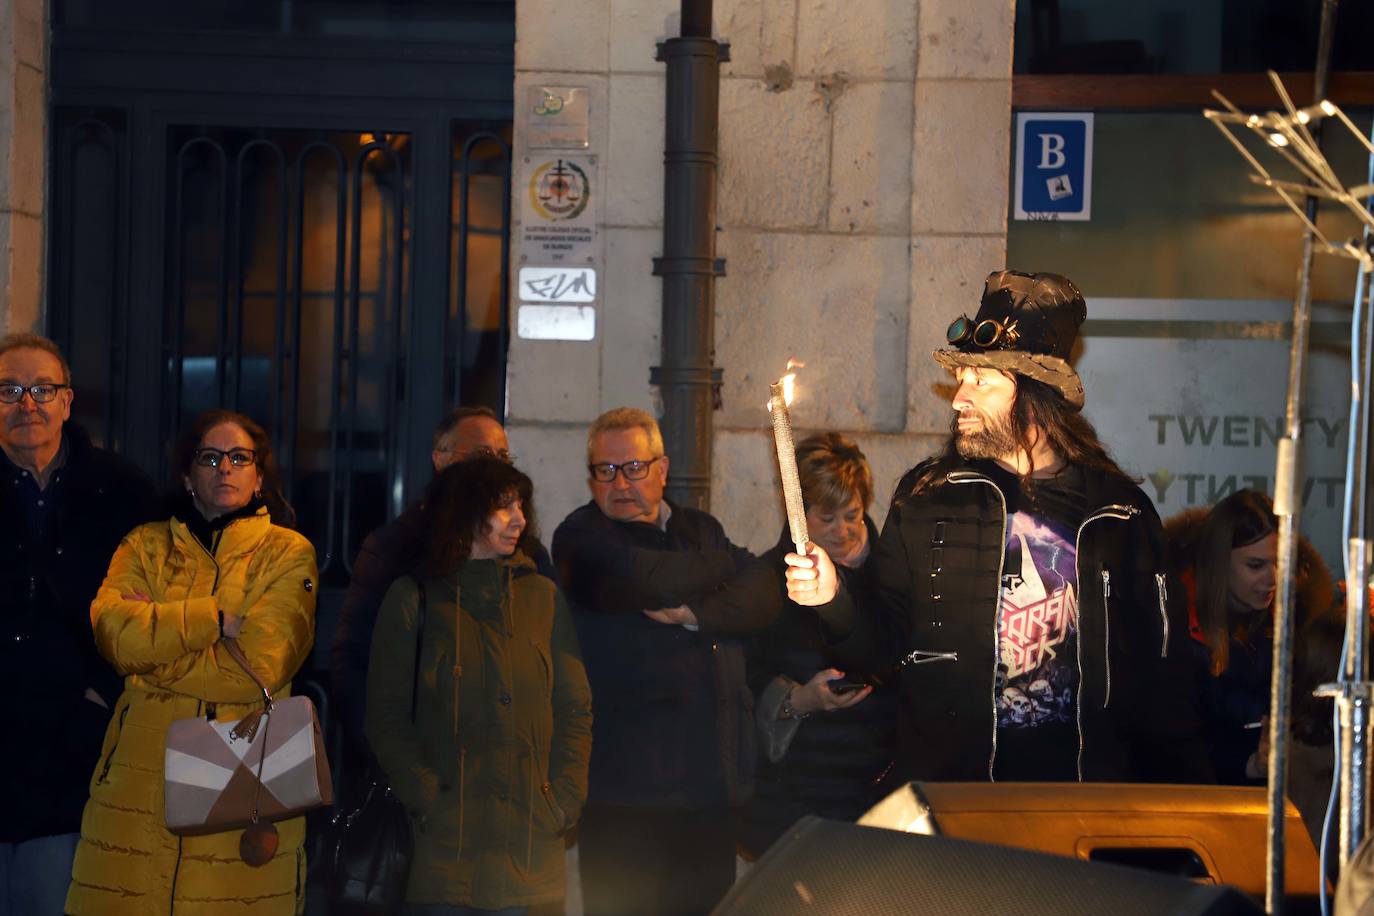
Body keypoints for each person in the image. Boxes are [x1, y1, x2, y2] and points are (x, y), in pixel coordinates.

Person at [785, 270, 1211, 784]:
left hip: (1077, 803)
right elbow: (879, 649)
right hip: (955, 798)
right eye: (961, 379)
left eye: (980, 381)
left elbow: (1163, 679)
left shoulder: (1119, 514)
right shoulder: (928, 499)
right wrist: (834, 597)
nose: (958, 398)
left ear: (1033, 394)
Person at [66, 410, 318, 915]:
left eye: (239, 457)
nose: (224, 467)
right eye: (210, 457)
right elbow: (114, 635)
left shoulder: (288, 553)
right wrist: (214, 619)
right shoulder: (144, 544)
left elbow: (262, 665)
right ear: (188, 474)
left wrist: (152, 657)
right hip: (139, 789)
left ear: (259, 476)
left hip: (243, 785)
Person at [552, 407, 782, 916]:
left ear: (662, 468)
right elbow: (648, 578)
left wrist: (697, 612)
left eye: (633, 468)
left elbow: (764, 593)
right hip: (621, 796)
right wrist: (726, 567)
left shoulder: (698, 527)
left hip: (707, 791)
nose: (620, 484)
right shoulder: (580, 539)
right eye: (605, 471)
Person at [366, 457, 591, 915]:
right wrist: (430, 798)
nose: (520, 519)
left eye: (521, 505)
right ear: (465, 513)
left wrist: (564, 799)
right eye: (503, 506)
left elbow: (574, 706)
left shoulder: (541, 597)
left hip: (531, 851)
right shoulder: (414, 598)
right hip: (447, 859)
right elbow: (385, 716)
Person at [0, 332, 159, 915]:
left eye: (43, 389)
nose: (27, 404)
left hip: (78, 755)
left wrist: (107, 693)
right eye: (9, 390)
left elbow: (159, 612)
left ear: (68, 402)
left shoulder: (122, 492)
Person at [333, 406, 551, 755]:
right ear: (440, 459)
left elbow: (557, 669)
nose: (495, 466)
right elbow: (355, 659)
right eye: (482, 454)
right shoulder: (395, 547)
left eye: (503, 456)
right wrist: (394, 757)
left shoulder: (529, 555)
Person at [741, 432, 897, 857]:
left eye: (853, 514)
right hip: (796, 802)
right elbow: (743, 679)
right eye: (826, 518)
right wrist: (796, 699)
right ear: (798, 515)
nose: (843, 531)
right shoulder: (767, 581)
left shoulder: (895, 576)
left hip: (878, 798)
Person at [1165, 489, 1335, 785]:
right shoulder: (1172, 627)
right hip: (1201, 803)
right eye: (1255, 566)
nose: (1272, 577)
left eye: (1280, 562)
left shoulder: (1300, 622)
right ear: (1219, 562)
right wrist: (1250, 764)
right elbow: (1173, 749)